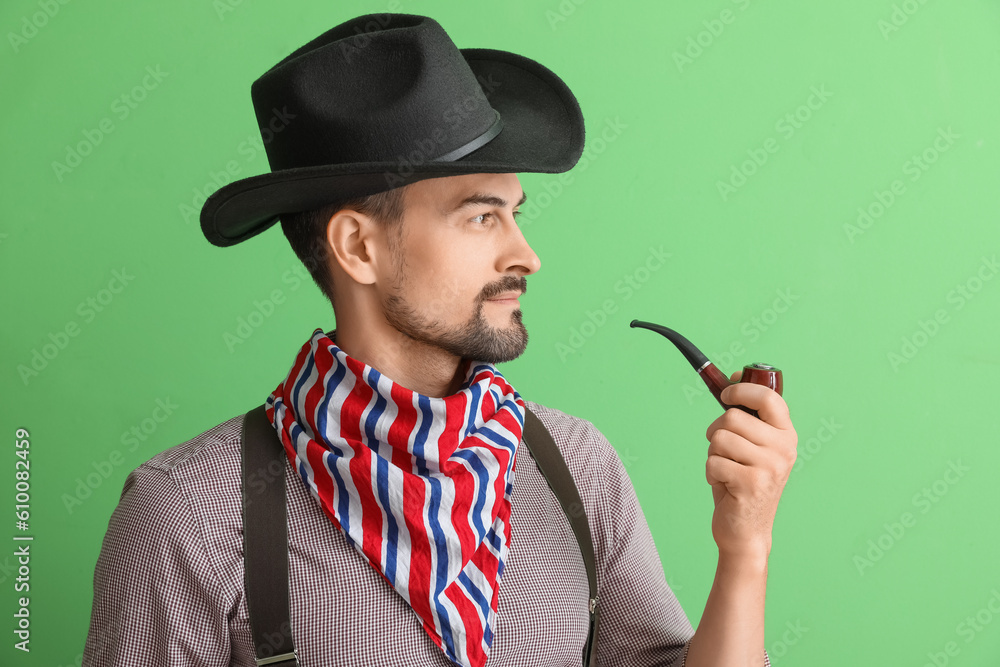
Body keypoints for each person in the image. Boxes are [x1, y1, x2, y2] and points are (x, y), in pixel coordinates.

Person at [84, 13, 796, 667]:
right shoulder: (186, 513)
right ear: (357, 246)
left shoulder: (578, 469)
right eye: (482, 218)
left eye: (516, 214)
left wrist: (745, 547)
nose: (526, 254)